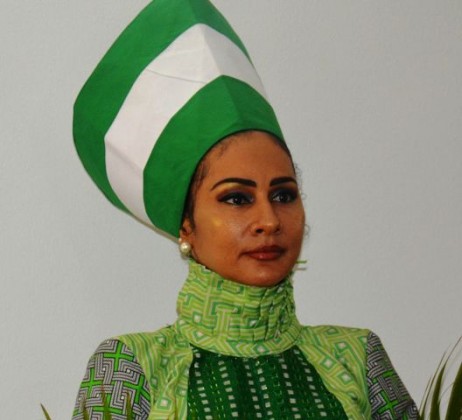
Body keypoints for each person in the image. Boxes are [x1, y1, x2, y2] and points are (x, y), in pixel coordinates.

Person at [72, 0, 419, 418]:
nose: (269, 221)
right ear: (186, 224)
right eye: (236, 198)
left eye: (283, 195)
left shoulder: (357, 358)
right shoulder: (135, 366)